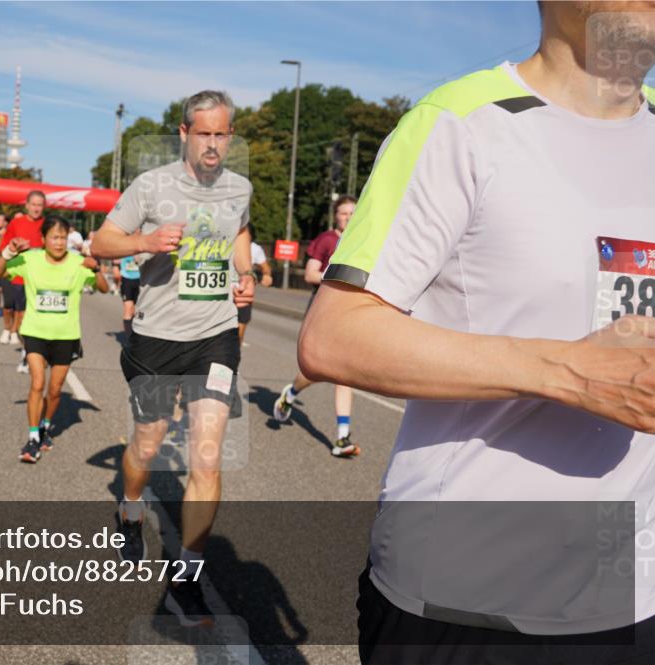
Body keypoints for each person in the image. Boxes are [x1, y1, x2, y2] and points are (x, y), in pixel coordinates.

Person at [297, 5, 655, 663]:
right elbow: (333, 337)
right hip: (466, 601)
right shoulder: (458, 124)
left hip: (632, 595)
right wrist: (569, 371)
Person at [91, 90, 255, 628]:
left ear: (230, 136)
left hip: (216, 336)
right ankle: (130, 509)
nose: (213, 144)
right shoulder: (152, 185)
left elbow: (241, 232)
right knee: (148, 444)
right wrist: (145, 240)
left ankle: (186, 581)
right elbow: (100, 242)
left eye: (221, 134)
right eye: (203, 133)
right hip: (157, 337)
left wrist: (244, 274)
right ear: (184, 133)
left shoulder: (240, 188)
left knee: (206, 458)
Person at [0, 216, 108, 463]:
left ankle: (45, 426)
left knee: (54, 391)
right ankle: (33, 437)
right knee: (37, 383)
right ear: (43, 239)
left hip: (66, 335)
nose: (59, 242)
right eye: (54, 237)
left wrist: (95, 268)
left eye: (63, 238)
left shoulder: (78, 263)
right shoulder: (30, 259)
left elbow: (104, 288)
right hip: (35, 332)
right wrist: (8, 253)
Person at [272, 196, 359, 457]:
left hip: (351, 311)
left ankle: (342, 438)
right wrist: (337, 278)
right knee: (317, 368)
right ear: (335, 216)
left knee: (345, 373)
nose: (348, 217)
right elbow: (310, 273)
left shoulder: (363, 241)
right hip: (324, 309)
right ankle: (292, 391)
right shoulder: (326, 240)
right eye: (344, 213)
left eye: (353, 212)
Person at [0, 191, 46, 373]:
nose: (36, 208)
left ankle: (27, 355)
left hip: (40, 279)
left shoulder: (47, 225)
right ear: (26, 205)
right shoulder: (16, 223)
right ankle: (23, 346)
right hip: (18, 276)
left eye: (39, 205)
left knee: (33, 319)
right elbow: (3, 248)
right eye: (33, 204)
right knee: (20, 321)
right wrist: (15, 248)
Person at [236, 227, 272, 347]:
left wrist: (267, 275)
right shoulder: (223, 242)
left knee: (240, 328)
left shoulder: (255, 249)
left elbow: (265, 268)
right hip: (222, 290)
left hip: (243, 292)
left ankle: (236, 348)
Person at [115, 252, 142, 336]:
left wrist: (139, 258)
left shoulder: (141, 247)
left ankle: (135, 335)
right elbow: (115, 260)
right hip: (126, 280)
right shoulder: (125, 247)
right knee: (128, 310)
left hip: (140, 281)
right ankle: (129, 339)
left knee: (136, 311)